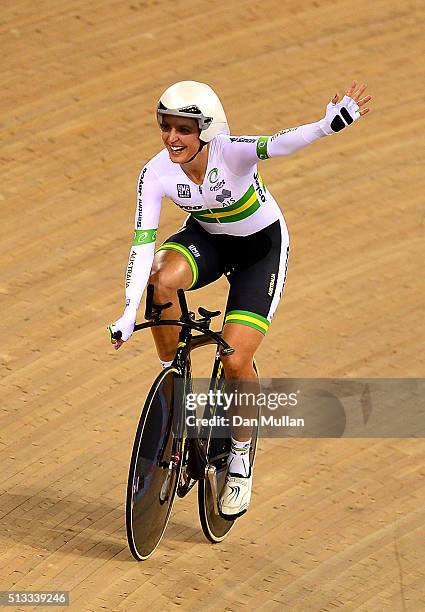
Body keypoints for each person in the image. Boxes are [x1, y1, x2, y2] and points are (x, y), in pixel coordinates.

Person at [109, 80, 372, 519]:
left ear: (206, 131)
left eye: (184, 129)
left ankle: (239, 456)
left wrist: (327, 126)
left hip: (259, 251)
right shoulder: (154, 173)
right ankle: (174, 383)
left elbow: (280, 144)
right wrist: (125, 312)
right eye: (166, 126)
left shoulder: (230, 152)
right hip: (209, 239)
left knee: (235, 360)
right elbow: (142, 244)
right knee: (160, 279)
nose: (172, 137)